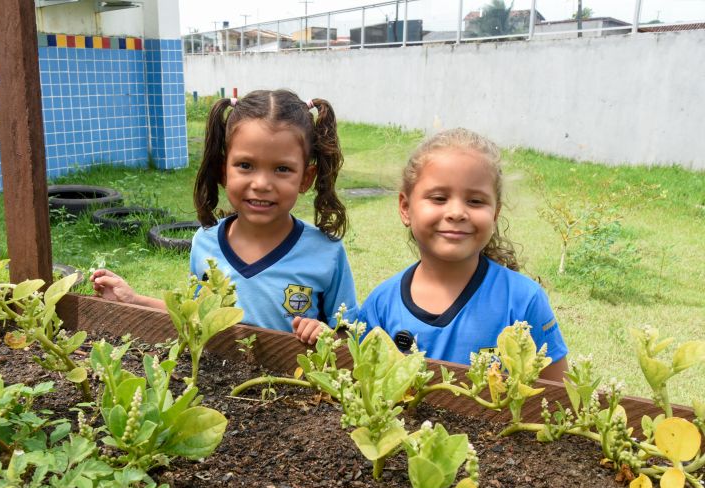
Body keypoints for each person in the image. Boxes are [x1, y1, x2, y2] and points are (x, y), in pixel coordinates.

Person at [91, 89, 357, 345]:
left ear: (306, 178)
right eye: (245, 165)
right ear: (223, 171)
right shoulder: (205, 243)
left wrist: (326, 334)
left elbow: (350, 337)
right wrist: (135, 300)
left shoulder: (326, 253)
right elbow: (196, 317)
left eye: (282, 169)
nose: (262, 183)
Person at [358, 128, 568, 382]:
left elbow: (558, 395)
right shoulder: (382, 304)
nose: (456, 212)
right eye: (439, 198)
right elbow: (361, 386)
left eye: (476, 201)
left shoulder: (524, 301)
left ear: (495, 213)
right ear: (405, 208)